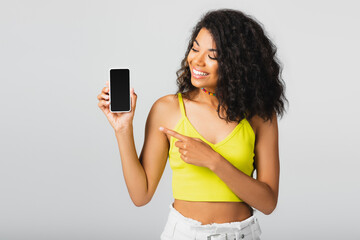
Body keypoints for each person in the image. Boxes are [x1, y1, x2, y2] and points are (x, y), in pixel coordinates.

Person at [97, 8, 288, 240]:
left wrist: (213, 160)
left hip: (243, 234)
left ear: (239, 62)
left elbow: (268, 202)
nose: (196, 60)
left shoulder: (260, 115)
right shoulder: (167, 109)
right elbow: (141, 195)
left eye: (212, 55)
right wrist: (123, 129)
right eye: (195, 48)